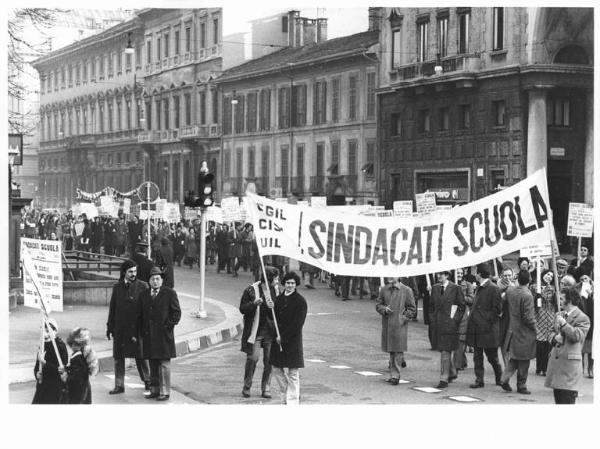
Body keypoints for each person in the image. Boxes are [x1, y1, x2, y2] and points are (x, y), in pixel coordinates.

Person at [106, 260, 150, 394]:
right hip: (120, 329)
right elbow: (112, 309)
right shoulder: (117, 287)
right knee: (119, 357)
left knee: (141, 356)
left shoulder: (143, 286)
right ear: (124, 272)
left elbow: (147, 309)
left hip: (136, 329)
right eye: (130, 271)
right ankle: (119, 385)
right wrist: (110, 327)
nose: (133, 274)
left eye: (135, 271)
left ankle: (148, 381)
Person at [139, 266, 182, 401]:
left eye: (158, 279)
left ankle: (165, 391)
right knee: (153, 363)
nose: (155, 281)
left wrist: (168, 326)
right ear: (149, 281)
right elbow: (140, 315)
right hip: (149, 335)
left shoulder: (169, 293)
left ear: (162, 280)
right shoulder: (144, 295)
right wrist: (142, 330)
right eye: (152, 279)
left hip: (164, 335)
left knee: (164, 364)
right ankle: (154, 390)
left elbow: (176, 313)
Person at [545, 287, 590, 404]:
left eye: (561, 298)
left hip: (569, 369)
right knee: (558, 401)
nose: (558, 301)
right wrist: (555, 338)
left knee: (567, 402)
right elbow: (549, 333)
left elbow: (577, 336)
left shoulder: (583, 318)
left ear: (569, 300)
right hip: (556, 366)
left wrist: (564, 324)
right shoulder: (559, 314)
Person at [239, 266, 279, 399]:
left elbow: (280, 311)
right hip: (256, 331)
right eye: (275, 278)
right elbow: (242, 308)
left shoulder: (277, 291)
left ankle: (266, 387)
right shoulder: (251, 290)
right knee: (253, 358)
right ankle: (247, 386)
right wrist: (253, 304)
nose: (277, 281)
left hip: (270, 331)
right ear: (269, 278)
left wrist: (276, 307)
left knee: (270, 360)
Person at [269, 271, 308, 405]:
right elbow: (273, 318)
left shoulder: (300, 301)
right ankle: (289, 393)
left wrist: (283, 337)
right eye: (287, 283)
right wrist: (270, 308)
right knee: (275, 368)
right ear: (284, 284)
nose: (290, 285)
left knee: (293, 372)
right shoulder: (278, 300)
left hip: (292, 341)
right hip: (278, 340)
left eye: (292, 283)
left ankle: (292, 401)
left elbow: (297, 324)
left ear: (296, 284)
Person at [499, 270, 537, 394]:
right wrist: (536, 327)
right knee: (525, 359)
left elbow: (507, 290)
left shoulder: (511, 291)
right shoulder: (527, 295)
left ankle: (504, 379)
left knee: (514, 358)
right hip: (525, 331)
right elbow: (528, 317)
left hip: (513, 329)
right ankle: (521, 385)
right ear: (529, 280)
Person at [466, 263, 503, 389]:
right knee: (477, 355)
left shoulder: (493, 288)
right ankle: (479, 379)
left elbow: (497, 309)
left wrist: (485, 320)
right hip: (477, 327)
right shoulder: (481, 287)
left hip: (487, 329)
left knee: (492, 356)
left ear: (480, 274)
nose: (475, 274)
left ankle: (500, 377)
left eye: (476, 272)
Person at [375, 276, 417, 385]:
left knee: (398, 349)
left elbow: (412, 308)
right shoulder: (384, 289)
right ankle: (393, 373)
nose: (389, 277)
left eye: (391, 275)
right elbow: (378, 304)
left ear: (398, 277)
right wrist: (384, 309)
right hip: (388, 324)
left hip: (399, 325)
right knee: (391, 350)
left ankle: (395, 375)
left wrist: (403, 318)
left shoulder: (406, 290)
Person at [430, 271, 465, 389]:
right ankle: (452, 372)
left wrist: (455, 320)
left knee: (445, 351)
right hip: (438, 324)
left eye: (441, 274)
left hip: (450, 325)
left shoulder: (456, 288)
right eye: (438, 274)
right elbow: (431, 306)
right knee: (442, 349)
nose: (439, 276)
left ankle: (443, 378)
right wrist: (432, 318)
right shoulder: (435, 288)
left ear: (447, 275)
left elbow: (461, 306)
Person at [32, 318, 69, 404]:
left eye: (48, 331)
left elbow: (61, 369)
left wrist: (45, 363)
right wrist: (37, 374)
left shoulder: (60, 346)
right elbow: (37, 366)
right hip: (42, 387)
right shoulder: (42, 345)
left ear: (55, 331)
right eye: (43, 331)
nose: (45, 335)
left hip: (55, 388)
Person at [63, 327, 98, 404]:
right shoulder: (82, 356)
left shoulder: (77, 357)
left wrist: (66, 377)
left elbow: (75, 376)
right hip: (84, 386)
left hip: (78, 391)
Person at [533, 269, 556, 376]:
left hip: (550, 316)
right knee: (540, 344)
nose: (549, 277)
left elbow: (553, 300)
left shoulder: (553, 289)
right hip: (540, 316)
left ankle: (545, 368)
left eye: (551, 276)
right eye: (548, 274)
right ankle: (539, 367)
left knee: (548, 344)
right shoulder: (535, 287)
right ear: (542, 275)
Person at [454, 267, 475, 370]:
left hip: (463, 314)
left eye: (461, 273)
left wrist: (461, 297)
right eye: (457, 272)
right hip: (452, 313)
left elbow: (471, 299)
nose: (459, 274)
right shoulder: (450, 284)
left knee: (460, 338)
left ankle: (456, 365)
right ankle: (462, 361)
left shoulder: (468, 285)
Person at [577, 274, 594, 378]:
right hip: (583, 322)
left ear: (590, 280)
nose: (584, 280)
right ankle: (582, 368)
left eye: (586, 279)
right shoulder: (579, 293)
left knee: (592, 347)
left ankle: (590, 369)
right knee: (582, 347)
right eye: (582, 279)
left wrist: (591, 295)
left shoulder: (594, 291)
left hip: (593, 322)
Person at [497, 266, 514, 366]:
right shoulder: (497, 287)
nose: (507, 277)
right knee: (503, 343)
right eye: (505, 275)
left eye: (509, 275)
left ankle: (511, 364)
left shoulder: (515, 287)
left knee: (512, 344)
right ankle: (506, 365)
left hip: (513, 319)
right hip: (503, 318)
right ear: (501, 276)